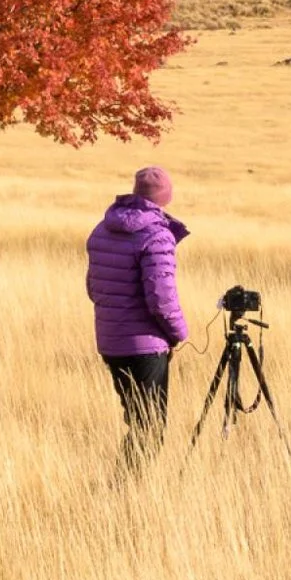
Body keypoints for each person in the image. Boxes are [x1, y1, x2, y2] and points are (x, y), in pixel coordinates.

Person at [85, 166, 190, 473]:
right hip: (145, 346)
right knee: (151, 427)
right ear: (165, 197)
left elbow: (94, 287)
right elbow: (161, 298)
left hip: (110, 340)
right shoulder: (158, 236)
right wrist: (179, 334)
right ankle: (122, 490)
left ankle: (124, 487)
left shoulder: (102, 229)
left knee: (138, 419)